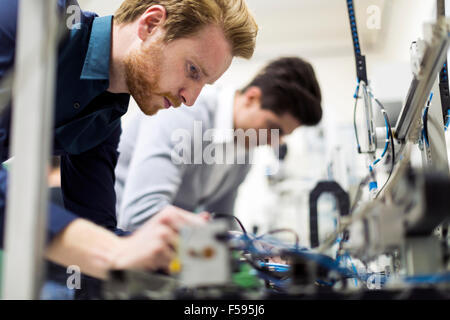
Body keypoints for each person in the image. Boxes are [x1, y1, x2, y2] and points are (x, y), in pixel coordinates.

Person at [0, 0, 258, 295]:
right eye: (192, 70)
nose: (191, 99)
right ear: (150, 25)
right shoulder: (28, 15)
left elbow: (99, 232)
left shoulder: (104, 119)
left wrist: (207, 255)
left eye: (204, 84)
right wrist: (109, 250)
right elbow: (107, 248)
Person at [115, 57, 322, 232]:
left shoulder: (244, 149)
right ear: (251, 98)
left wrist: (256, 249)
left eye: (281, 135)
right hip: (111, 241)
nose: (272, 142)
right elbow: (140, 214)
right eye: (272, 128)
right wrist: (219, 237)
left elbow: (222, 219)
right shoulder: (185, 112)